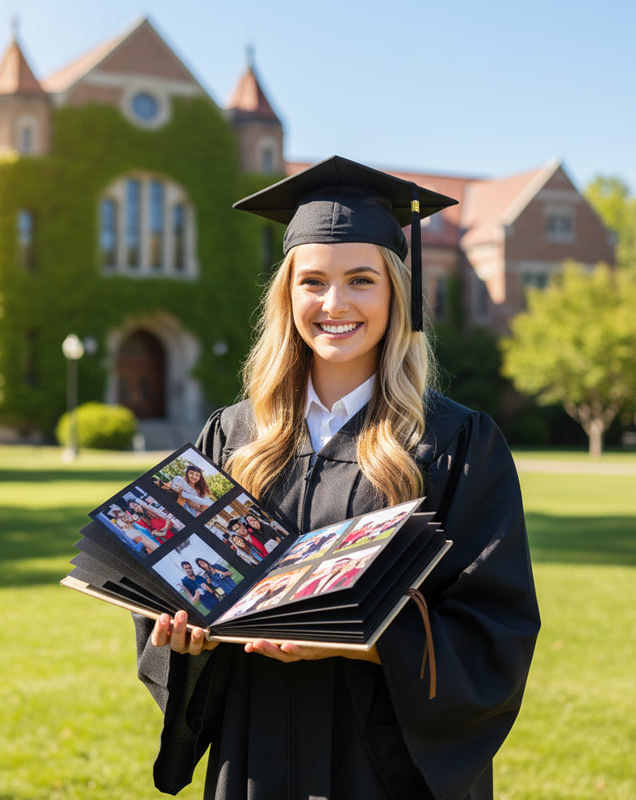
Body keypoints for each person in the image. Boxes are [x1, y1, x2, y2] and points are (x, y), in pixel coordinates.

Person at [134, 155, 540, 799]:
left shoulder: (455, 442)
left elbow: (496, 628)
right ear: (287, 295)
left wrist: (363, 644)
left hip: (379, 765)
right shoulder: (233, 436)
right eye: (313, 282)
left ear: (395, 293)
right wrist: (178, 640)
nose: (335, 303)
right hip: (254, 754)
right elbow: (172, 591)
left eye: (361, 280)